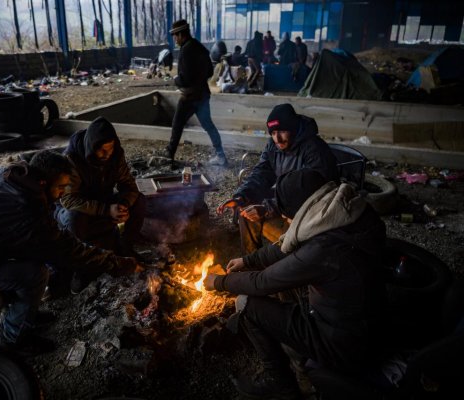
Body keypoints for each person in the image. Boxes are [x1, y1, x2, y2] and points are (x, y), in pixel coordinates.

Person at [0, 150, 138, 356]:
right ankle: (11, 342)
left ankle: (24, 313)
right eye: (61, 187)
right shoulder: (25, 209)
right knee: (35, 274)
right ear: (44, 183)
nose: (63, 193)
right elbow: (69, 251)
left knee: (31, 255)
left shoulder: (9, 176)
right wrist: (120, 264)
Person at [205, 168, 388, 399]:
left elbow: (261, 282)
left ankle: (280, 383)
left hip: (342, 346)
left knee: (245, 303)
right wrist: (247, 260)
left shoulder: (323, 248)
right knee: (289, 282)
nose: (283, 218)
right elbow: (287, 247)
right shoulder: (344, 213)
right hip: (369, 322)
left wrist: (219, 282)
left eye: (285, 212)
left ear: (300, 209)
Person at [216, 103, 338, 254]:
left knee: (282, 230)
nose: (277, 139)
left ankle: (282, 266)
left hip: (310, 210)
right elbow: (261, 173)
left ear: (293, 128)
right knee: (246, 207)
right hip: (285, 201)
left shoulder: (314, 148)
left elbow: (312, 193)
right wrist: (241, 196)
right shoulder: (273, 146)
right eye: (273, 133)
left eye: (281, 131)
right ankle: (251, 262)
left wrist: (268, 208)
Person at [55, 116, 146, 259]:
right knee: (74, 218)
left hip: (103, 201)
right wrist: (105, 210)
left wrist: (123, 205)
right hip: (79, 207)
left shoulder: (115, 155)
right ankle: (81, 256)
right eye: (102, 150)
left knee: (139, 200)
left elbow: (129, 186)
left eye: (110, 149)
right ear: (92, 147)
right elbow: (68, 199)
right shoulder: (72, 158)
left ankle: (125, 246)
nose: (107, 154)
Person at [156, 19, 228, 167]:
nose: (174, 39)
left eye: (175, 35)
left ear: (182, 34)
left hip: (190, 96)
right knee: (208, 125)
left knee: (177, 124)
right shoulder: (199, 47)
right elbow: (209, 72)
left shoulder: (185, 50)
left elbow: (185, 79)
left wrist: (176, 80)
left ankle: (169, 155)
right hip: (203, 95)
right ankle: (221, 156)